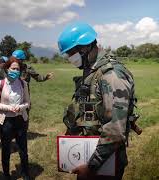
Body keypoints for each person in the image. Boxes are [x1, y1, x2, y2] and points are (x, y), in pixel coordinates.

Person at [58, 22, 137, 180]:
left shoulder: (111, 75)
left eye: (71, 52)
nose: (69, 58)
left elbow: (115, 130)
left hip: (104, 163)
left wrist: (91, 167)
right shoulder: (92, 69)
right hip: (90, 153)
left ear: (85, 47)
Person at [0, 57, 30, 180]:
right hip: (6, 120)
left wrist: (20, 107)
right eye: (13, 68)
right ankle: (6, 174)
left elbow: (27, 103)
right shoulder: (1, 84)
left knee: (23, 148)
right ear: (7, 69)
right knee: (6, 148)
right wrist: (8, 108)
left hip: (20, 119)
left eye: (18, 69)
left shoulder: (23, 83)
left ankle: (25, 173)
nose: (15, 71)